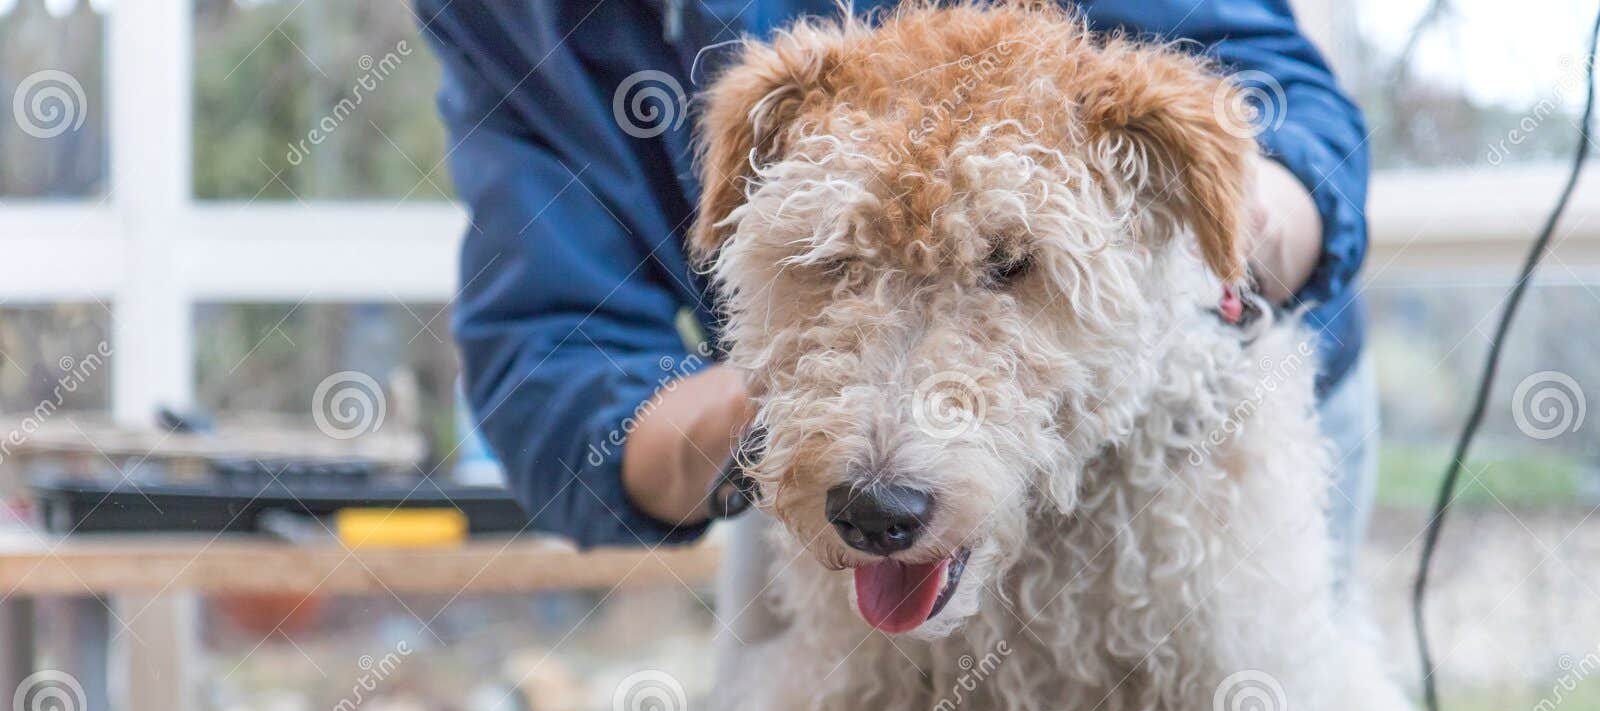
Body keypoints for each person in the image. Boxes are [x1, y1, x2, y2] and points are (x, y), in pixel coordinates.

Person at [415, 0, 1374, 567]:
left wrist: (1223, 242)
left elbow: (1276, 95)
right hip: (787, 456)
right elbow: (549, 360)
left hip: (1206, 409)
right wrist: (779, 414)